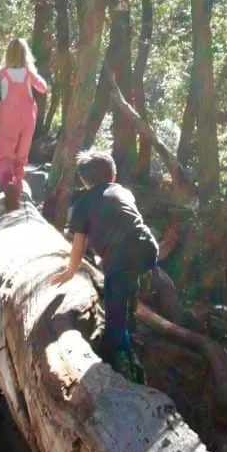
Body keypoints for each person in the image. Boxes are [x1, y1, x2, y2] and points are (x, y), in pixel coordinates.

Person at [51, 150, 158, 379]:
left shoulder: (83, 203)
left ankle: (127, 368)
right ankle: (136, 294)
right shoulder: (123, 191)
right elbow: (126, 220)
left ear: (83, 180)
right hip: (148, 247)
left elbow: (78, 245)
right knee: (126, 282)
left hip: (120, 257)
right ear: (114, 175)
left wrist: (70, 271)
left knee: (114, 317)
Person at [0, 37, 48, 211]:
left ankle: (7, 186)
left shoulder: (2, 74)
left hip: (8, 120)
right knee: (21, 156)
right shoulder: (28, 73)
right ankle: (17, 188)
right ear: (26, 54)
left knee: (5, 155)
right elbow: (43, 87)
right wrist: (32, 73)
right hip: (27, 120)